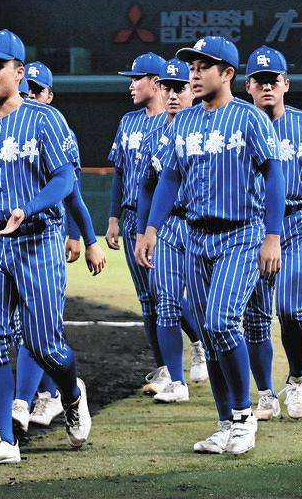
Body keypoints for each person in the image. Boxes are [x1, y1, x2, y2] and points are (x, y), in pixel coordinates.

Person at [0, 30, 92, 465]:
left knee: (45, 344)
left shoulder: (44, 119)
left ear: (19, 72)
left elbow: (64, 180)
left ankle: (71, 393)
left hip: (37, 239)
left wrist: (27, 209)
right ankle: (4, 440)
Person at [140, 35, 284, 457]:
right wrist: (152, 228)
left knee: (222, 323)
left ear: (228, 73)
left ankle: (243, 415)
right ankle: (225, 424)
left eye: (204, 66)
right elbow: (170, 177)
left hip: (242, 234)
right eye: (193, 66)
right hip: (195, 237)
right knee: (209, 331)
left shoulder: (250, 118)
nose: (195, 73)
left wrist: (273, 235)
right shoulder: (183, 122)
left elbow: (275, 175)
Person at [11, 60, 106, 433]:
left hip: (43, 238)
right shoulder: (4, 129)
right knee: (25, 330)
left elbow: (73, 194)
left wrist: (86, 239)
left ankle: (34, 398)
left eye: (36, 90)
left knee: (37, 328)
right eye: (27, 89)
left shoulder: (57, 129)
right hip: (7, 242)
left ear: (49, 95)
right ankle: (45, 394)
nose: (29, 96)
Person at [241, 46, 302, 421]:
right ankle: (265, 394)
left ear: (286, 83)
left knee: (291, 309)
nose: (267, 86)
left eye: (273, 80)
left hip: (297, 223)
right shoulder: (236, 124)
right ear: (248, 86)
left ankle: (297, 380)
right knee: (255, 318)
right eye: (259, 81)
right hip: (251, 226)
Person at [133, 58, 208, 404]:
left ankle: (210, 358)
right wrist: (143, 231)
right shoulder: (153, 135)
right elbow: (147, 186)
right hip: (168, 225)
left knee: (208, 308)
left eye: (180, 87)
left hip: (203, 224)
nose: (173, 94)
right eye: (168, 87)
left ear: (193, 90)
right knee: (166, 301)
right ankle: (176, 382)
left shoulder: (208, 128)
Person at [106, 52, 172, 394]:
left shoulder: (174, 121)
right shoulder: (128, 121)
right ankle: (163, 368)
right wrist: (113, 217)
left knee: (167, 295)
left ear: (156, 83)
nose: (131, 85)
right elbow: (119, 173)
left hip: (163, 220)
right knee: (148, 299)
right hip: (132, 215)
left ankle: (197, 345)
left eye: (136, 78)